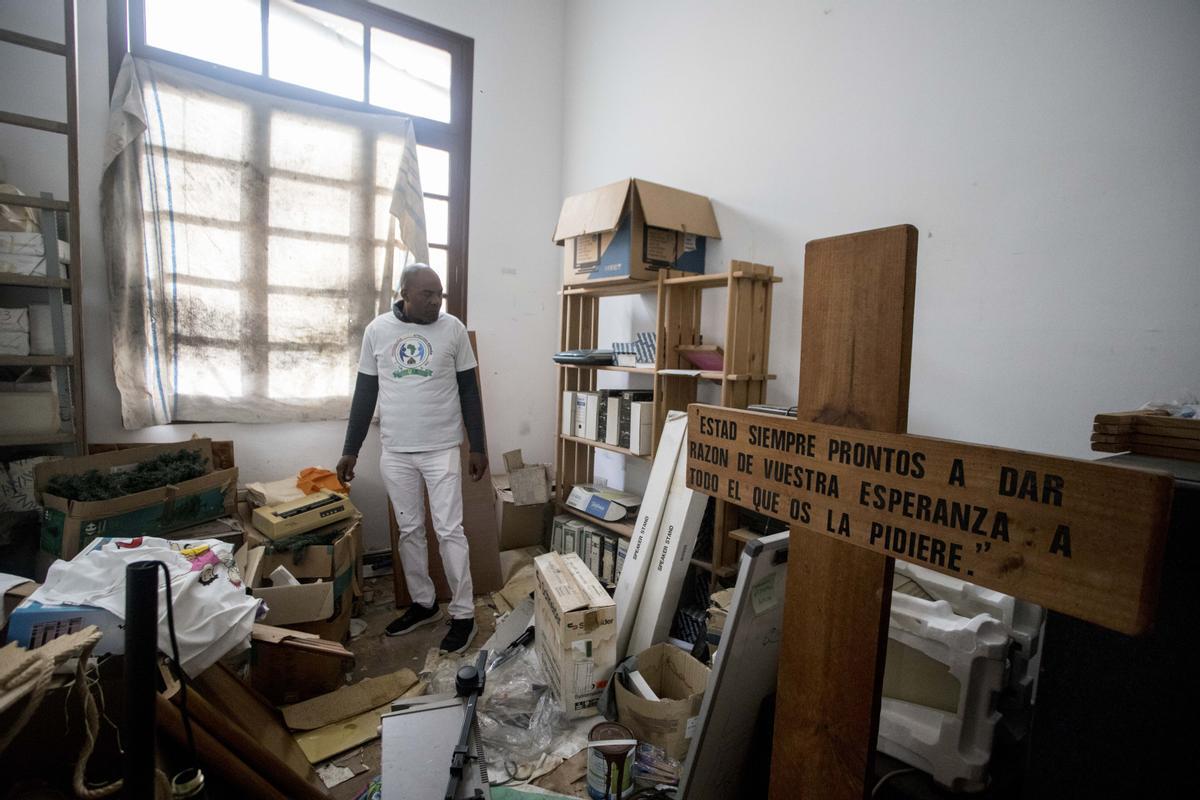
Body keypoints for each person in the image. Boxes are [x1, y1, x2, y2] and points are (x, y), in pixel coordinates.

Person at [337, 264, 487, 654]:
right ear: (404, 292)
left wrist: (478, 446)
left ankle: (464, 614)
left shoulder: (452, 329)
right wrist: (350, 449)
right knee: (410, 531)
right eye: (427, 295)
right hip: (397, 451)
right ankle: (424, 604)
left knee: (450, 530)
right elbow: (365, 393)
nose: (436, 302)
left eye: (440, 294)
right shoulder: (378, 331)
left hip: (441, 450)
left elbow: (470, 391)